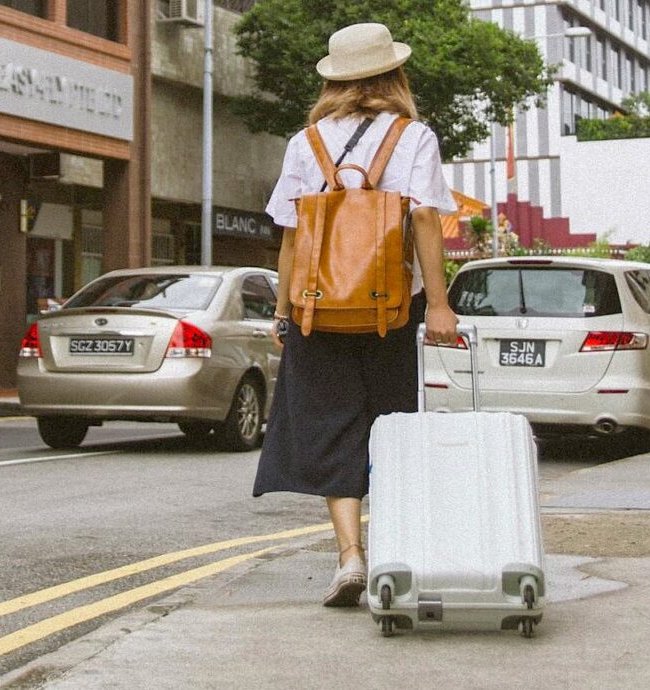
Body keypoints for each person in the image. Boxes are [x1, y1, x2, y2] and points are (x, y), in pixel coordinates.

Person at [252, 22, 459, 608]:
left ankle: (349, 556)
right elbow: (423, 220)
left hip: (317, 309)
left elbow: (291, 233)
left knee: (328, 424)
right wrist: (439, 305)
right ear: (394, 75)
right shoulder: (413, 136)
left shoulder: (306, 141)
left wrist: (284, 311)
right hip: (388, 310)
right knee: (389, 425)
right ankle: (391, 549)